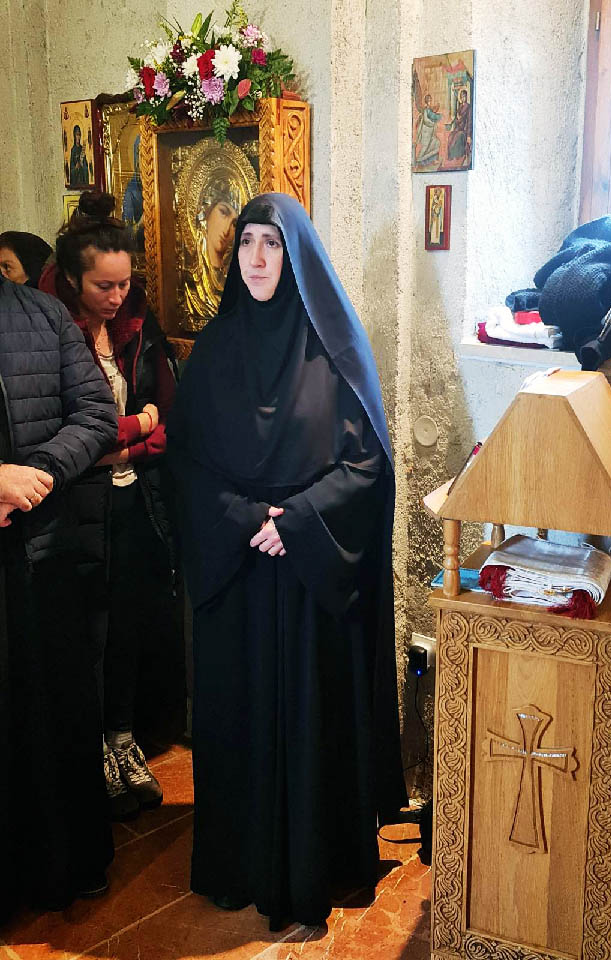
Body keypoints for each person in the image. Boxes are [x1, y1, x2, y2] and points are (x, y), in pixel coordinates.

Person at [167, 193, 407, 930]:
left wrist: (297, 522)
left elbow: (368, 465)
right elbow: (185, 463)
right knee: (237, 717)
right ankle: (238, 863)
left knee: (312, 721)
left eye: (272, 244)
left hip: (311, 575)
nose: (258, 258)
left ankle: (315, 866)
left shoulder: (335, 350)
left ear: (296, 255)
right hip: (239, 567)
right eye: (246, 244)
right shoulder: (212, 352)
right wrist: (246, 520)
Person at [39, 190, 183, 822]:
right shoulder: (51, 333)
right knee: (87, 632)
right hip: (75, 505)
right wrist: (133, 426)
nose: (117, 297)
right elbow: (70, 434)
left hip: (134, 498)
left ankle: (123, 738)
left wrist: (132, 436)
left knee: (128, 624)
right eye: (104, 286)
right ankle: (91, 746)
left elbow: (168, 416)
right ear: (73, 280)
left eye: (125, 284)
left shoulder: (137, 327)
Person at [0, 270, 118, 917]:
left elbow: (96, 414)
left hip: (43, 550)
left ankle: (68, 865)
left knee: (58, 710)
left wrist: (38, 473)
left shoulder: (41, 315)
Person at [182, 180, 241, 329]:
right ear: (206, 211)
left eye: (235, 224)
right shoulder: (189, 280)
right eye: (223, 212)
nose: (227, 229)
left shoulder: (235, 282)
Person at [447, 88, 471, 163]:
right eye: (461, 96)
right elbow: (457, 118)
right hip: (458, 127)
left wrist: (468, 135)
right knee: (451, 136)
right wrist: (455, 120)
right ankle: (451, 156)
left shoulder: (468, 107)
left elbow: (469, 121)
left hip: (464, 129)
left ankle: (458, 155)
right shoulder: (460, 106)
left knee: (458, 136)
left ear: (466, 97)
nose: (463, 98)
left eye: (464, 96)